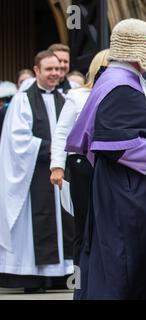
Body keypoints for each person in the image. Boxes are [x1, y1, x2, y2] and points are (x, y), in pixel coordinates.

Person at [66, 18, 146, 300]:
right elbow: (110, 141)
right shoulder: (120, 84)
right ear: (139, 47)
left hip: (124, 186)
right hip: (126, 190)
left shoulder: (122, 79)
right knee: (125, 256)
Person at [0, 51, 74, 293]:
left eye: (58, 69)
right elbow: (17, 140)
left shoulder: (67, 98)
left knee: (65, 219)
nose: (55, 73)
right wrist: (54, 148)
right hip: (35, 172)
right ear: (37, 70)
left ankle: (61, 275)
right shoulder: (22, 99)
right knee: (39, 221)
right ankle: (35, 277)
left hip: (63, 173)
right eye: (49, 69)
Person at [49, 49, 109, 267]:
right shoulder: (77, 96)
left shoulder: (121, 95)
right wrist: (57, 166)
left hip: (109, 164)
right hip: (82, 164)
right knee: (84, 224)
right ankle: (81, 283)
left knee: (108, 223)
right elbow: (61, 132)